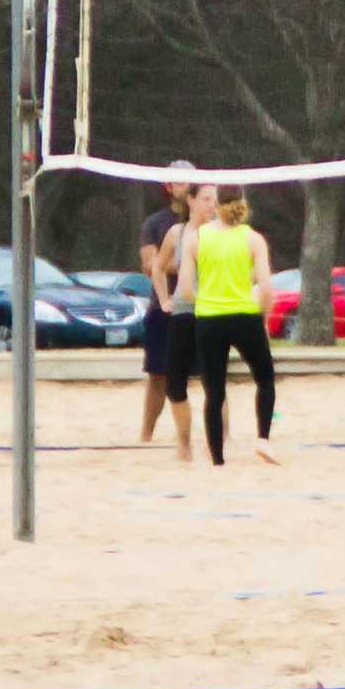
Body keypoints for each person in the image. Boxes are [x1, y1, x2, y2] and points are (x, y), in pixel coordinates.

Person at [181, 185, 279, 467]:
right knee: (265, 378)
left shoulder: (196, 238)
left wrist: (206, 302)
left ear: (217, 205)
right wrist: (265, 316)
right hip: (244, 315)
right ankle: (263, 438)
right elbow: (266, 287)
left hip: (210, 319)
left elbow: (186, 288)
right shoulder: (253, 239)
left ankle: (218, 459)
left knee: (214, 392)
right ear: (243, 204)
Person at [138, 164, 197, 458]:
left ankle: (220, 438)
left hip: (200, 307)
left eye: (190, 177)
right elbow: (150, 265)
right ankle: (146, 436)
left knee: (212, 377)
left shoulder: (207, 221)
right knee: (157, 376)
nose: (185, 183)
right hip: (164, 307)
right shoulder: (156, 223)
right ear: (168, 186)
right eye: (178, 179)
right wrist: (187, 263)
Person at [155, 183, 219, 454]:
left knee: (214, 382)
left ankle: (219, 443)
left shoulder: (222, 234)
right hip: (183, 312)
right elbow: (158, 267)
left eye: (215, 200)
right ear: (191, 200)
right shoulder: (177, 233)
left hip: (212, 313)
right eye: (206, 199)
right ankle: (185, 445)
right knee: (175, 383)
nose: (212, 205)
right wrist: (163, 299)